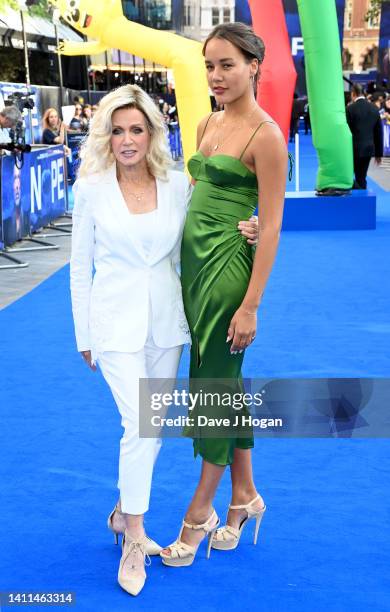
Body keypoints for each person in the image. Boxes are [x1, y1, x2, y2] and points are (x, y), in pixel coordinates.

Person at [69, 83, 257, 596]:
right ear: (105, 135)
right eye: (117, 130)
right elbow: (78, 264)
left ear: (152, 132)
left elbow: (206, 229)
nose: (127, 139)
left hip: (168, 324)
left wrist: (253, 227)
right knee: (141, 426)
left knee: (151, 426)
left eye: (137, 129)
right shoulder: (90, 188)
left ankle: (120, 512)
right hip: (113, 324)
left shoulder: (177, 183)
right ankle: (134, 538)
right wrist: (84, 332)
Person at [160, 22, 287, 567]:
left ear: (254, 65)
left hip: (228, 278)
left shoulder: (267, 136)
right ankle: (245, 497)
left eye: (227, 65)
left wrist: (251, 303)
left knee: (211, 388)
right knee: (225, 386)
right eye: (210, 65)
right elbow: (197, 196)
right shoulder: (206, 122)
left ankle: (199, 513)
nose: (215, 76)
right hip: (193, 272)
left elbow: (274, 224)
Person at [346, 84, 383, 190]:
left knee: (348, 177)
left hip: (352, 149)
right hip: (368, 149)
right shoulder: (374, 109)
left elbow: (346, 131)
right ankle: (362, 199)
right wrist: (379, 154)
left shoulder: (350, 109)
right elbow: (378, 132)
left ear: (353, 94)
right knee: (362, 177)